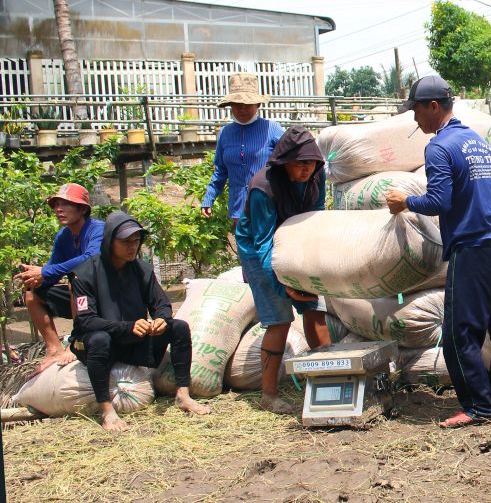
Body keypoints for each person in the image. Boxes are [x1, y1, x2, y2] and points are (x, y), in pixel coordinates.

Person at [385, 74, 491, 429]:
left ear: (432, 106)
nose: (414, 119)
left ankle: (478, 406)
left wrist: (405, 202)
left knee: (460, 332)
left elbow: (438, 201)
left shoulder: (439, 147)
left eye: (416, 110)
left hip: (473, 245)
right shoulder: (477, 141)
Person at [69, 211, 210, 432]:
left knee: (179, 327)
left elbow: (161, 304)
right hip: (97, 344)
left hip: (134, 341)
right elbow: (86, 321)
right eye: (125, 241)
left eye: (136, 241)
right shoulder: (85, 274)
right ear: (109, 241)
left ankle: (183, 394)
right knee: (99, 339)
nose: (132, 246)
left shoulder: (142, 270)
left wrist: (161, 320)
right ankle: (107, 410)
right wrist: (126, 327)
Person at [235, 125, 332, 414]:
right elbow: (264, 245)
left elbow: (315, 217)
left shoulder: (317, 175)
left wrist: (312, 267)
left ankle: (330, 380)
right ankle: (269, 395)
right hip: (257, 249)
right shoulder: (263, 188)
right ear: (284, 162)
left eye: (311, 163)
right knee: (279, 319)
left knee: (314, 309)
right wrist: (284, 288)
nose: (306, 170)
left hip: (296, 240)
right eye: (299, 164)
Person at [15, 183, 104, 373]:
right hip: (80, 301)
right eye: (55, 205)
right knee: (32, 293)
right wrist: (37, 278)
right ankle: (54, 349)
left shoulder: (97, 229)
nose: (58, 209)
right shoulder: (63, 236)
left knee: (76, 282)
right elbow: (52, 271)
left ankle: (76, 342)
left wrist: (46, 271)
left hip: (105, 299)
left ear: (81, 209)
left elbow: (91, 258)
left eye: (65, 204)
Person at [201, 72, 285, 224]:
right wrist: (209, 198)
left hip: (269, 205)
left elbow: (291, 159)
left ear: (257, 105)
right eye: (237, 104)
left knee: (269, 247)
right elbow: (220, 171)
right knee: (244, 246)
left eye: (247, 104)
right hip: (238, 209)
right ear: (230, 105)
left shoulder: (272, 129)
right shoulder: (225, 133)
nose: (242, 109)